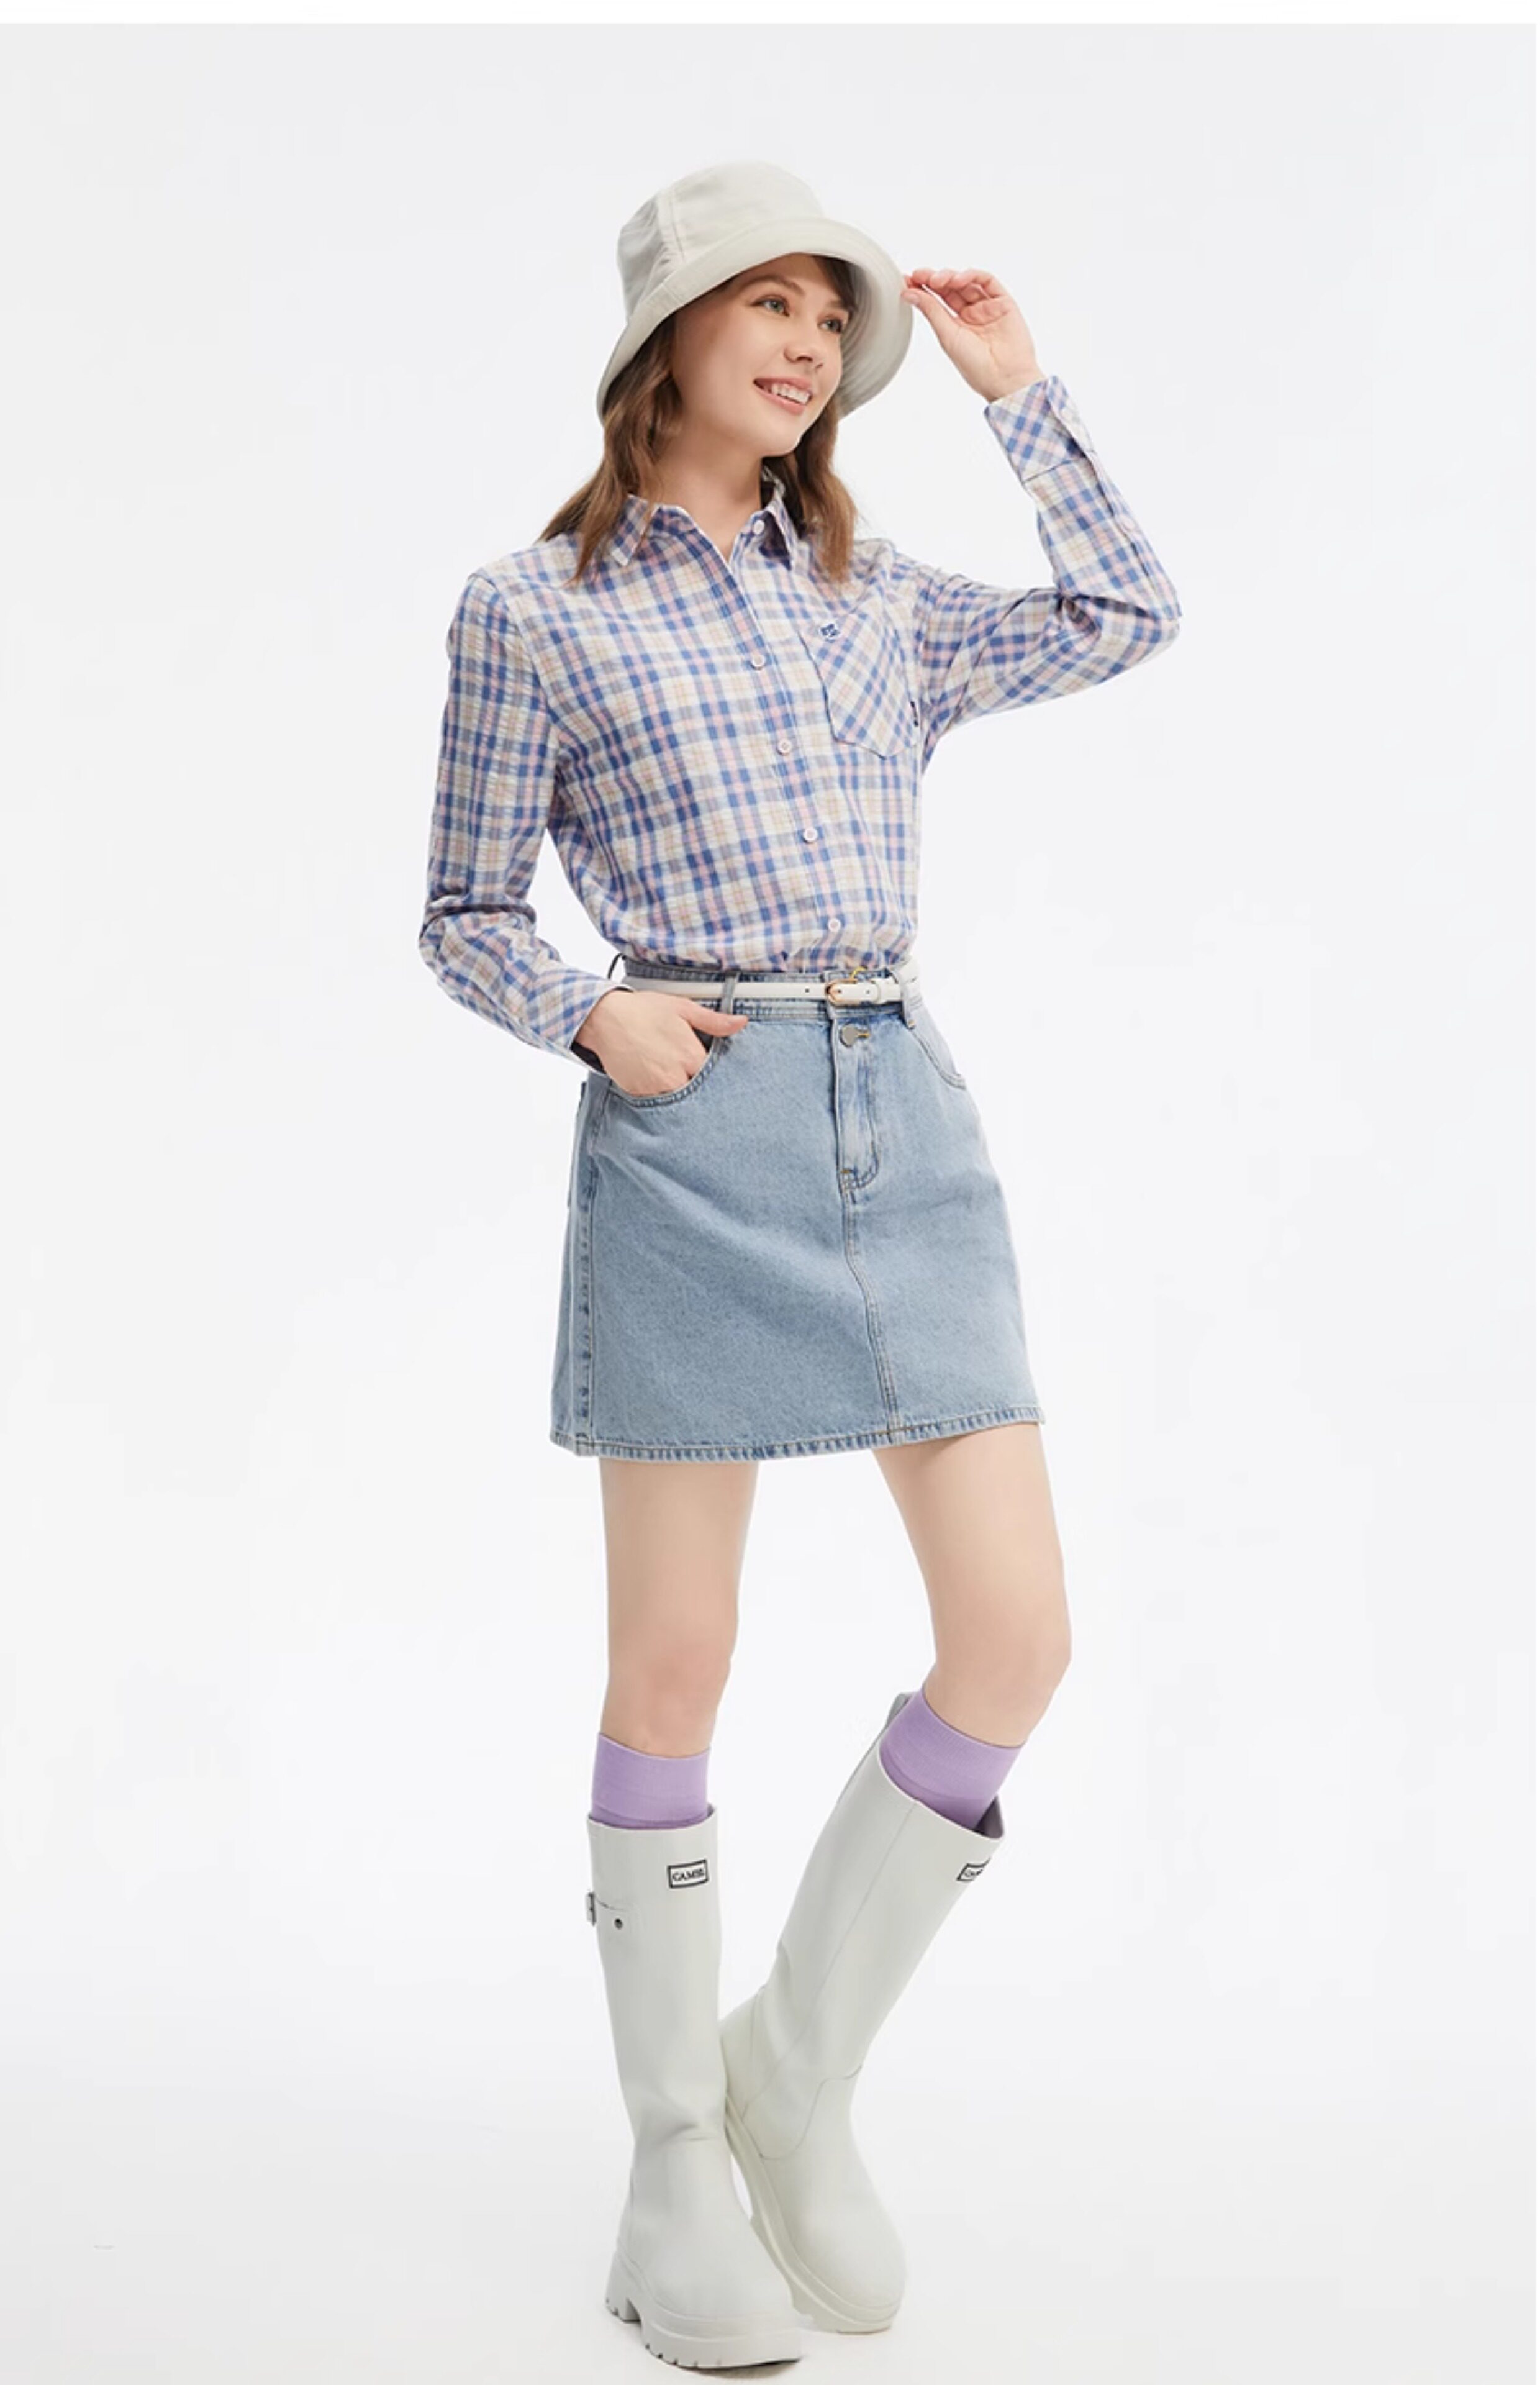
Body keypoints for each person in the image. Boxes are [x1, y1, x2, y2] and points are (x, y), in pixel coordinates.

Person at [418, 160, 1181, 2368]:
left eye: (829, 318)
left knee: (1016, 1638)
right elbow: (463, 909)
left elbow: (1127, 612)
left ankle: (793, 2070)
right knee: (676, 1662)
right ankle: (676, 2158)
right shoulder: (530, 609)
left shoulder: (877, 596)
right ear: (664, 338)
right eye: (764, 302)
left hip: (900, 1120)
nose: (808, 340)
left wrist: (1018, 391)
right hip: (700, 1127)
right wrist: (592, 1011)